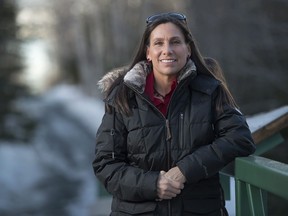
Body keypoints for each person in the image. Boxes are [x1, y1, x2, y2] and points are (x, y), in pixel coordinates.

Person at [93, 12, 255, 216]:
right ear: (148, 52)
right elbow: (105, 164)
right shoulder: (122, 97)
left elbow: (240, 138)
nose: (167, 50)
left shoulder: (210, 90)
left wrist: (185, 170)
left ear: (188, 49)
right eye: (158, 43)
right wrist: (153, 184)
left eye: (175, 42)